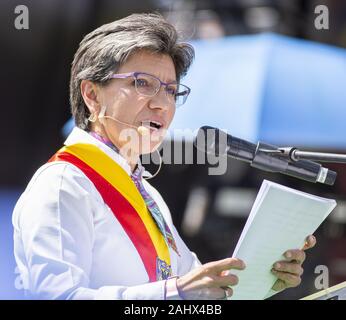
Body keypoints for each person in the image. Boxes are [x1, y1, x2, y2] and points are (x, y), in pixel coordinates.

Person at [12, 13, 316, 300]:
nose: (162, 104)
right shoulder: (64, 182)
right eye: (142, 83)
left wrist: (260, 279)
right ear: (92, 94)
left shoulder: (148, 193)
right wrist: (177, 292)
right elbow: (55, 295)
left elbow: (194, 288)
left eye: (171, 90)